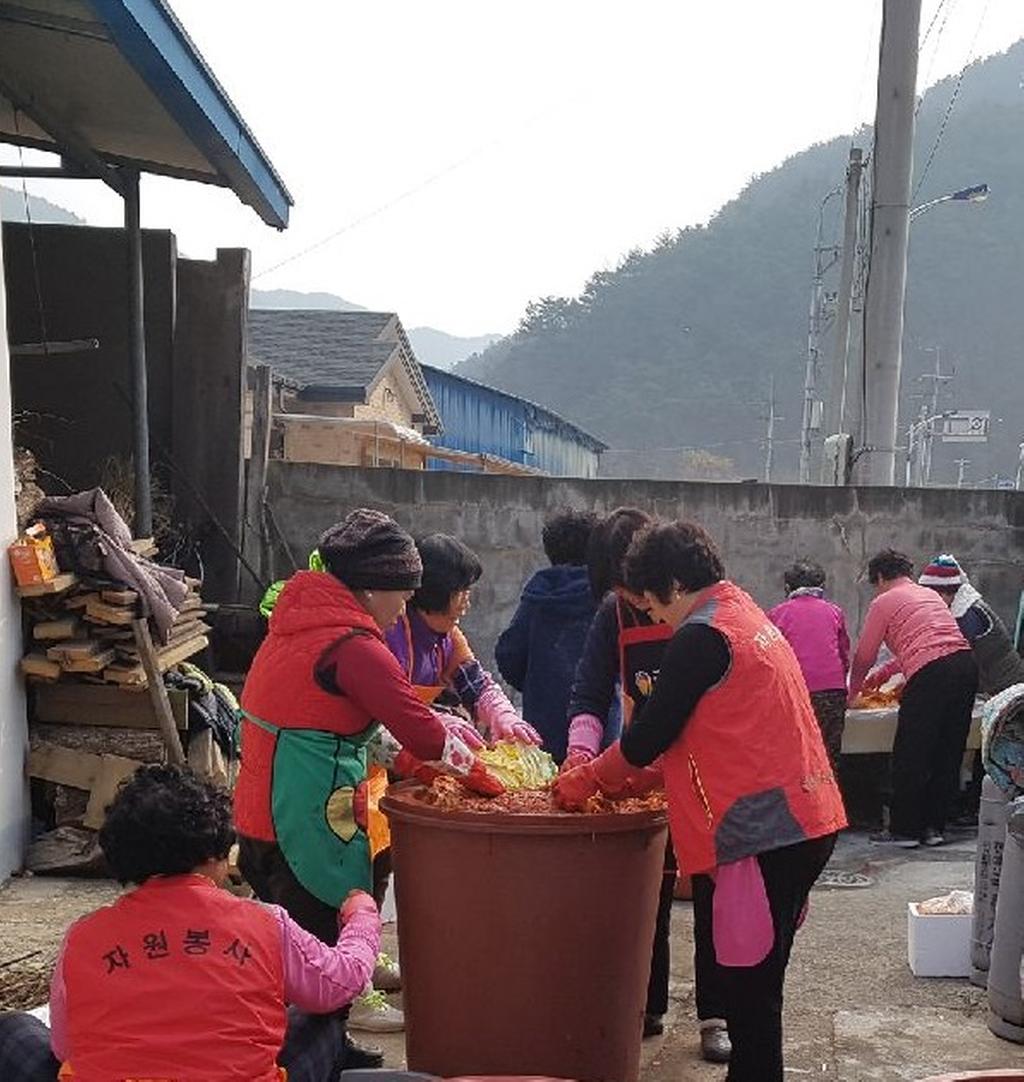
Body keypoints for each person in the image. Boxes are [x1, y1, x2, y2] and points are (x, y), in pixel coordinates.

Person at [555, 521, 845, 1082]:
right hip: (803, 820)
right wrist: (629, 779)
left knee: (751, 999)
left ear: (672, 584)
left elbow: (646, 739)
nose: (653, 616)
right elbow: (706, 733)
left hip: (763, 832)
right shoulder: (744, 614)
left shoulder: (702, 635)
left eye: (650, 602)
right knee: (758, 990)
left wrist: (587, 779)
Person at [235, 509, 503, 1062]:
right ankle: (316, 1055)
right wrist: (481, 774)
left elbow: (352, 726)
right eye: (401, 596)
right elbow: (423, 733)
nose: (404, 608)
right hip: (303, 824)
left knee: (296, 947)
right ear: (372, 588)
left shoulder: (297, 624)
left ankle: (327, 1043)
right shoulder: (353, 646)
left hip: (261, 813)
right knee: (318, 947)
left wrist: (423, 765)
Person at [0, 764, 382, 1082]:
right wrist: (361, 914)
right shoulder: (265, 923)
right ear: (215, 854)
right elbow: (342, 981)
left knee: (15, 1030)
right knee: (321, 1018)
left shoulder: (84, 937)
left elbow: (67, 1048)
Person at [563, 508, 726, 1062]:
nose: (635, 602)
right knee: (651, 888)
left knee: (714, 895)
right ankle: (647, 1002)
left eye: (636, 589)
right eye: (621, 590)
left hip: (710, 778)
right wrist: (581, 754)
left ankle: (717, 1014)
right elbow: (589, 693)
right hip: (645, 774)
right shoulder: (613, 615)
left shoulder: (703, 612)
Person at [848, 549, 978, 849]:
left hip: (931, 674)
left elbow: (865, 655)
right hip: (964, 666)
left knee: (913, 751)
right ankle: (934, 827)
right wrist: (882, 675)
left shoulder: (884, 601)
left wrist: (853, 692)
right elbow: (929, 642)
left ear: (880, 577)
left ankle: (904, 830)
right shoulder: (929, 596)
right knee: (948, 750)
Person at [384, 533, 541, 747]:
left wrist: (503, 714)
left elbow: (476, 683)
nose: (467, 603)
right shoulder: (391, 632)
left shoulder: (448, 636)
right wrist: (437, 722)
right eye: (462, 592)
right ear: (437, 592)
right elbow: (389, 705)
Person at [495, 509, 603, 761]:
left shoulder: (539, 594)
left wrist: (537, 683)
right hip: (600, 727)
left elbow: (509, 654)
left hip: (543, 726)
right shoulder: (604, 596)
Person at [768, 559, 850, 769]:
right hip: (832, 692)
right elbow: (843, 655)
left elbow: (770, 659)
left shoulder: (777, 614)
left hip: (795, 692)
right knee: (829, 755)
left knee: (796, 754)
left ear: (788, 588)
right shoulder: (834, 612)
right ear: (821, 586)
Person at [918, 554, 1024, 695]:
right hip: (992, 685)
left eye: (930, 596)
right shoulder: (957, 607)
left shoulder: (968, 614)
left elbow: (953, 657)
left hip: (1005, 686)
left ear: (944, 593)